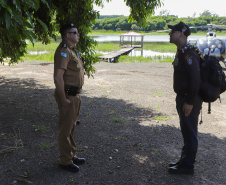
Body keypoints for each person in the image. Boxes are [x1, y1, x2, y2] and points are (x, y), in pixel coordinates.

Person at [167, 22, 203, 174]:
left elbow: (195, 79)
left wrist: (189, 102)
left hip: (189, 99)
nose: (169, 34)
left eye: (172, 31)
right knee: (186, 131)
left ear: (181, 33)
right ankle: (184, 160)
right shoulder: (182, 51)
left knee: (190, 132)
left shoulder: (189, 54)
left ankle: (188, 166)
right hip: (183, 98)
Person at [54, 23, 85, 173]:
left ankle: (71, 154)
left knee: (71, 127)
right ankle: (65, 160)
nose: (78, 35)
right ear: (68, 35)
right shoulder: (64, 52)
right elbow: (58, 77)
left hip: (75, 95)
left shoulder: (73, 51)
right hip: (68, 95)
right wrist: (62, 99)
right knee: (65, 129)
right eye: (75, 32)